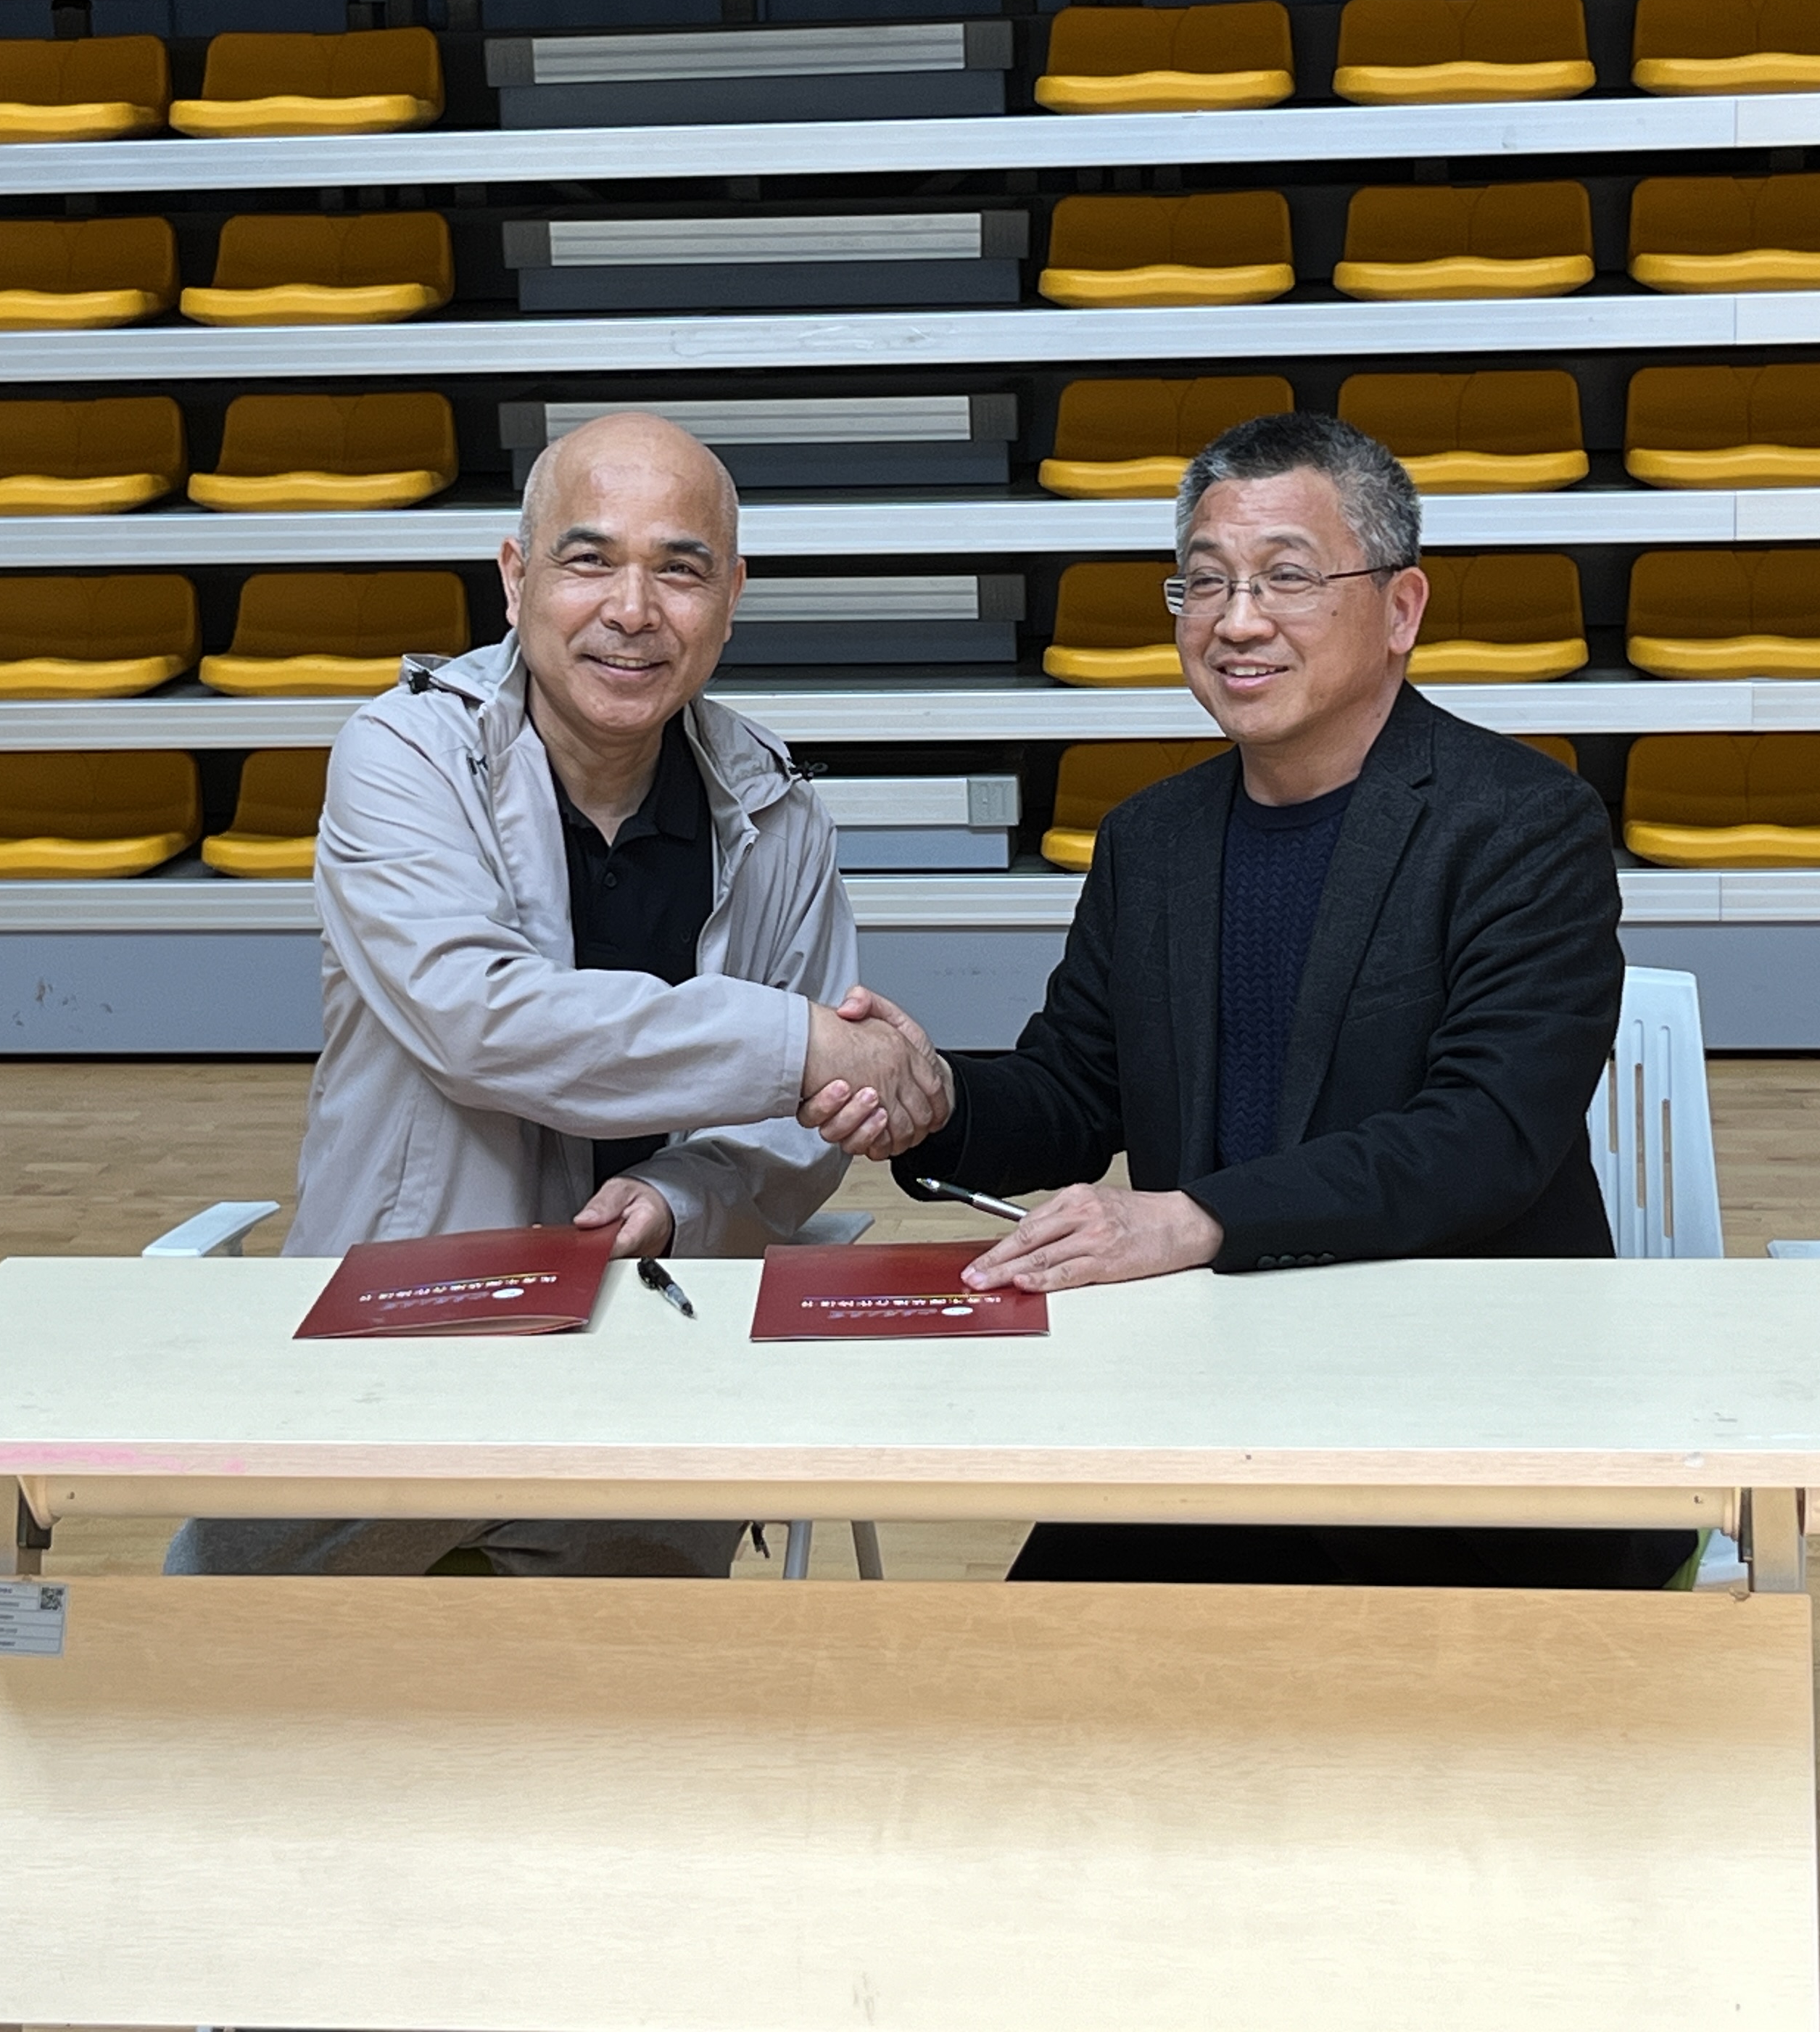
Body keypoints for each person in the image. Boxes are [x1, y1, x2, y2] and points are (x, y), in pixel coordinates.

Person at [819, 410, 1683, 1590]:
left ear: (1401, 609)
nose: (1236, 621)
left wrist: (1192, 1220)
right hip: (1212, 1411)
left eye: (1287, 577)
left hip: (1473, 1425)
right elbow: (1076, 1091)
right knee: (1021, 1667)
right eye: (1206, 582)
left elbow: (1487, 1137)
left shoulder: (1522, 824)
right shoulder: (1152, 840)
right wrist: (932, 1097)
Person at [168, 410, 950, 1582]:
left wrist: (684, 1195)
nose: (632, 611)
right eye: (590, 561)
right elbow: (483, 1021)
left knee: (609, 1680)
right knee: (227, 1642)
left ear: (731, 596)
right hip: (405, 1336)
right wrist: (803, 1047)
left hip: (655, 1340)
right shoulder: (406, 756)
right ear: (516, 576)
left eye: (680, 570)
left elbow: (798, 1127)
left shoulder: (777, 807)